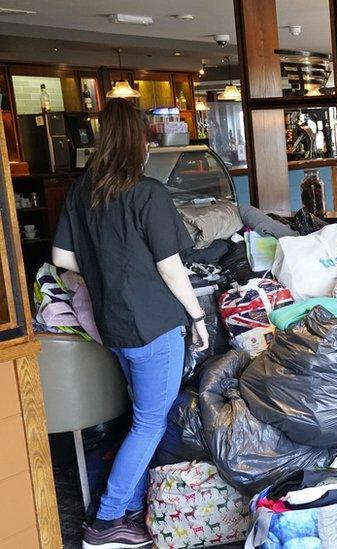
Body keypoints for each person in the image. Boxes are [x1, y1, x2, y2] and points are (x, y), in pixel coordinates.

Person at [51, 99, 208, 549]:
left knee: (140, 417)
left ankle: (132, 510)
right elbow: (171, 267)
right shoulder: (148, 192)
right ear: (140, 141)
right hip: (154, 325)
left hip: (113, 327)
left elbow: (62, 259)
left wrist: (106, 270)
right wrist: (197, 316)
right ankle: (105, 522)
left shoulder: (82, 192)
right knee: (149, 423)